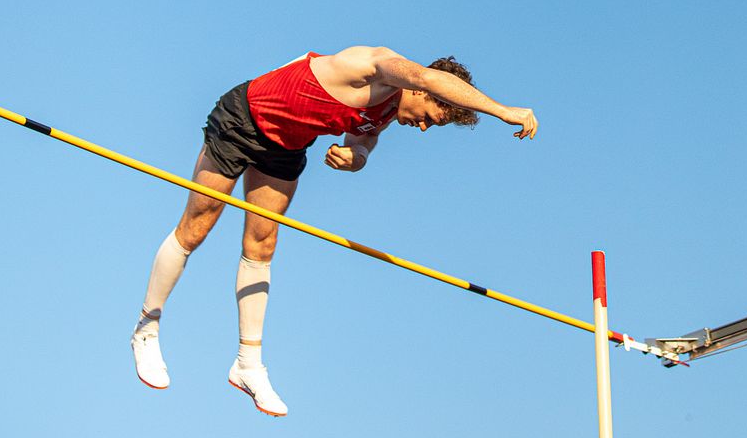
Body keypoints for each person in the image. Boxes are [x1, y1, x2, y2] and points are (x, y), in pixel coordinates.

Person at [131, 45, 538, 417]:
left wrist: (356, 156)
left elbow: (366, 137)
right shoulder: (376, 65)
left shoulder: (387, 111)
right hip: (243, 120)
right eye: (431, 118)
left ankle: (248, 364)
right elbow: (429, 76)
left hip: (286, 146)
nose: (424, 128)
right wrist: (503, 111)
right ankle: (147, 329)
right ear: (422, 91)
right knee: (197, 227)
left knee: (262, 244)